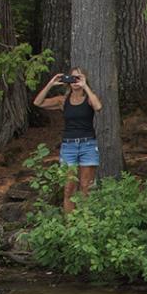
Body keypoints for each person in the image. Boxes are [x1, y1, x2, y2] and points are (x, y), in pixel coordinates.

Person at [31, 68, 104, 213]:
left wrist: (85, 86)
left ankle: (85, 222)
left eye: (78, 78)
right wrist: (51, 84)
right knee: (69, 187)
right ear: (68, 81)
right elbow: (38, 102)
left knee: (86, 186)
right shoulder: (63, 100)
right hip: (69, 146)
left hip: (87, 145)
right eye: (72, 78)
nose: (75, 81)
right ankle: (69, 223)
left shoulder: (89, 98)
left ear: (83, 79)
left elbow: (98, 107)